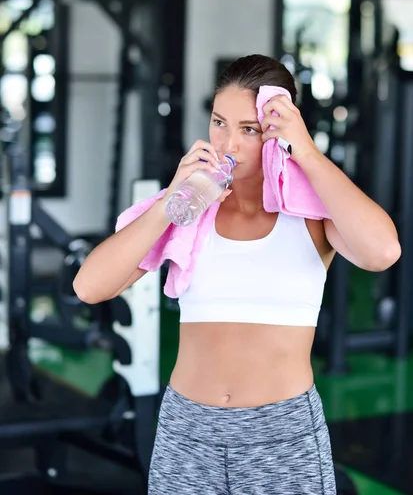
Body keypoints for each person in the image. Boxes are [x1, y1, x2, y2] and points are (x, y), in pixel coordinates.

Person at [74, 55, 401, 494]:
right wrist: (171, 200)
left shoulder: (310, 214)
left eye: (249, 129)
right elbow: (89, 286)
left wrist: (305, 150)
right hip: (187, 433)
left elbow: (383, 251)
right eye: (219, 122)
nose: (228, 143)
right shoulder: (186, 209)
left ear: (278, 131)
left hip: (282, 438)